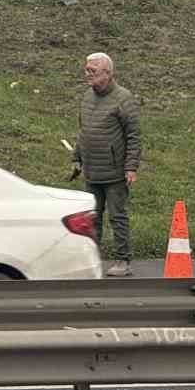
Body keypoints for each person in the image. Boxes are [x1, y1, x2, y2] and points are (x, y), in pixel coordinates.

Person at [70, 51, 141, 278]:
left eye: (93, 71)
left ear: (108, 74)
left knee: (117, 216)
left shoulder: (124, 98)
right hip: (91, 170)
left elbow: (134, 136)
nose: (87, 75)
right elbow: (84, 131)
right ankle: (93, 258)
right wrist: (76, 158)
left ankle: (123, 260)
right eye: (86, 70)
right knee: (93, 217)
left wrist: (131, 167)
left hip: (115, 172)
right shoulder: (86, 97)